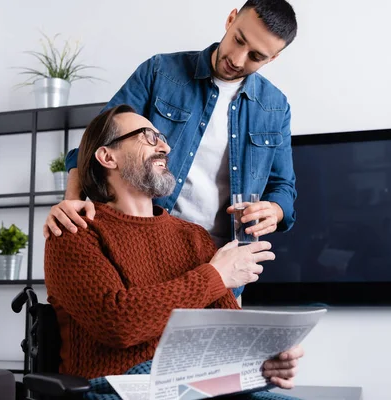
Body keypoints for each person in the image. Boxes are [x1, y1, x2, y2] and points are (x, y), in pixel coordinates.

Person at [44, 105, 304, 399]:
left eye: (163, 138)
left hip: (198, 388)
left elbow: (228, 338)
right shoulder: (74, 233)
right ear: (107, 156)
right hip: (122, 389)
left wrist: (263, 362)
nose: (165, 147)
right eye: (148, 137)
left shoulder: (193, 238)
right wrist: (215, 274)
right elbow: (118, 323)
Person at [44, 0, 298, 298]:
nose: (239, 60)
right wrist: (72, 202)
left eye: (256, 56)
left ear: (273, 58)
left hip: (223, 268)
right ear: (230, 19)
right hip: (145, 256)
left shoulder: (275, 107)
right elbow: (97, 140)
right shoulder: (160, 72)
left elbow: (283, 186)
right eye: (239, 40)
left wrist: (276, 210)